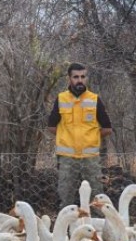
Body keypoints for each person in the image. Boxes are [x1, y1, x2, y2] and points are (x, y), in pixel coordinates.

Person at [47, 63, 113, 207]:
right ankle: (66, 228)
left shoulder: (94, 99)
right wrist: (66, 136)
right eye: (76, 77)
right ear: (69, 78)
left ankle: (98, 227)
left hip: (90, 159)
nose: (80, 80)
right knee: (65, 197)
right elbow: (51, 126)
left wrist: (91, 137)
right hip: (67, 160)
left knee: (96, 198)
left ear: (86, 78)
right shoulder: (61, 98)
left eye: (83, 77)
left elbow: (107, 128)